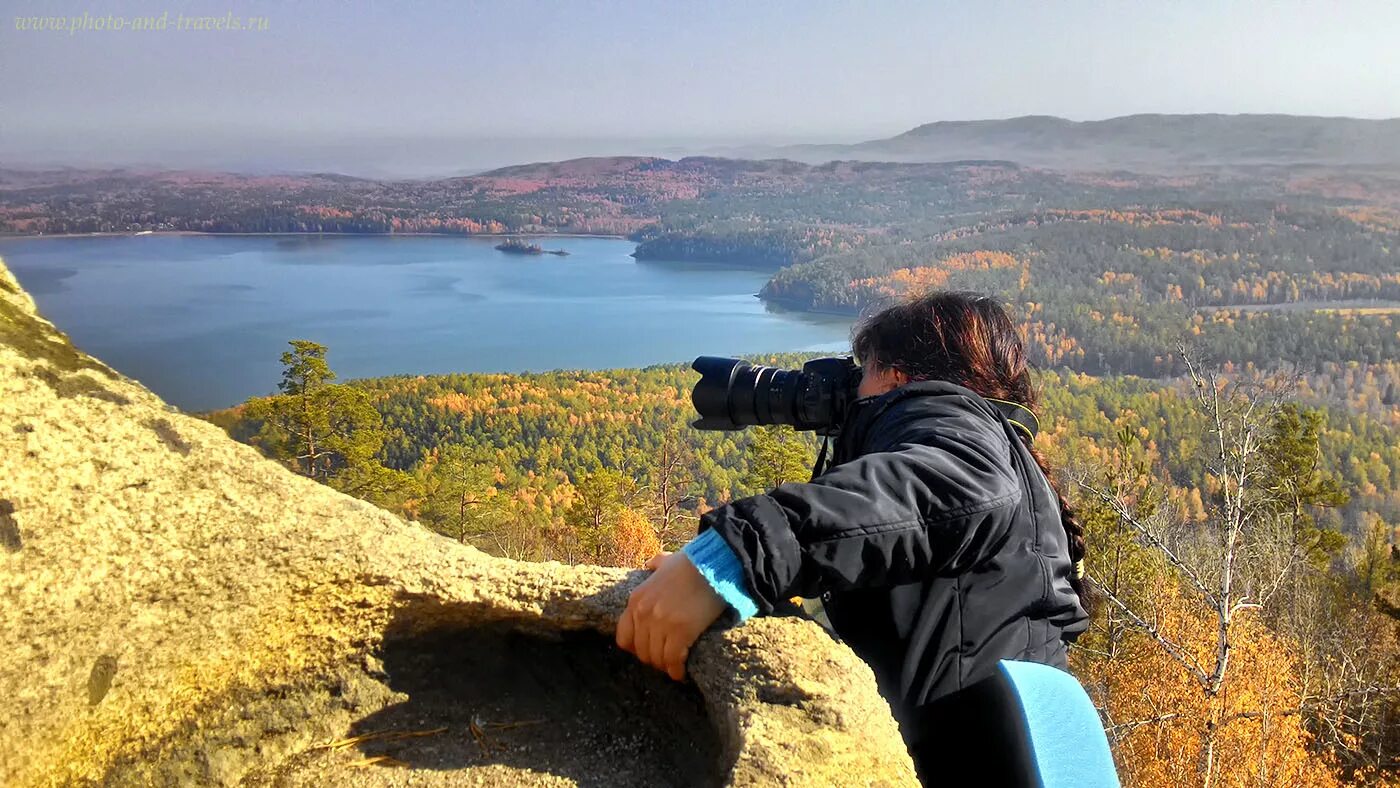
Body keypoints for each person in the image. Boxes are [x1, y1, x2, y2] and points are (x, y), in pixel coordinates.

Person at [615, 290, 1091, 781]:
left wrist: (729, 557)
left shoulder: (956, 427)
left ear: (896, 377)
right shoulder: (1007, 455)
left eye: (863, 371)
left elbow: (957, 488)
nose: (850, 391)